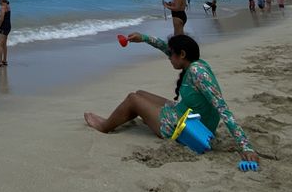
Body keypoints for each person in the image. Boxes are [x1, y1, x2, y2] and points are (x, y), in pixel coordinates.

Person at [84, 33, 258, 166]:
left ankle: (105, 126)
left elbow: (223, 109)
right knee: (140, 93)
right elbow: (164, 47)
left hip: (190, 130)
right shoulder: (195, 63)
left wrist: (245, 146)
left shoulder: (198, 73)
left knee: (133, 99)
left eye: (171, 55)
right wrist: (143, 38)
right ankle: (130, 117)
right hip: (187, 114)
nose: (169, 57)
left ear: (182, 54)